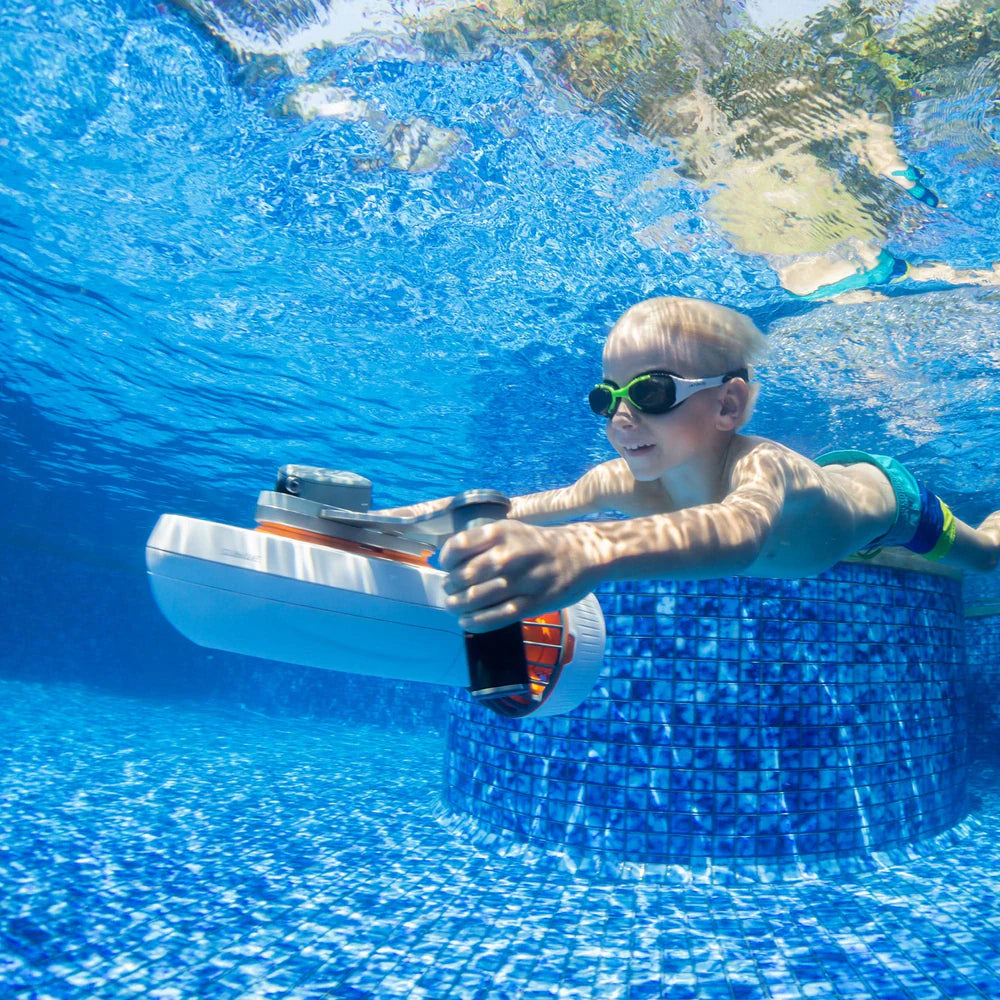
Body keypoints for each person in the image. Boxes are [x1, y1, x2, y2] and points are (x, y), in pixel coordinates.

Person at [403, 296, 1000, 631]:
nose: (621, 416)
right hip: (833, 536)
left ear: (729, 404)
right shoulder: (624, 480)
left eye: (652, 392)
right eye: (606, 398)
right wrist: (414, 524)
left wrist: (590, 549)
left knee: (986, 559)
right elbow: (532, 506)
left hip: (891, 505)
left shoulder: (764, 468)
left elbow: (739, 533)